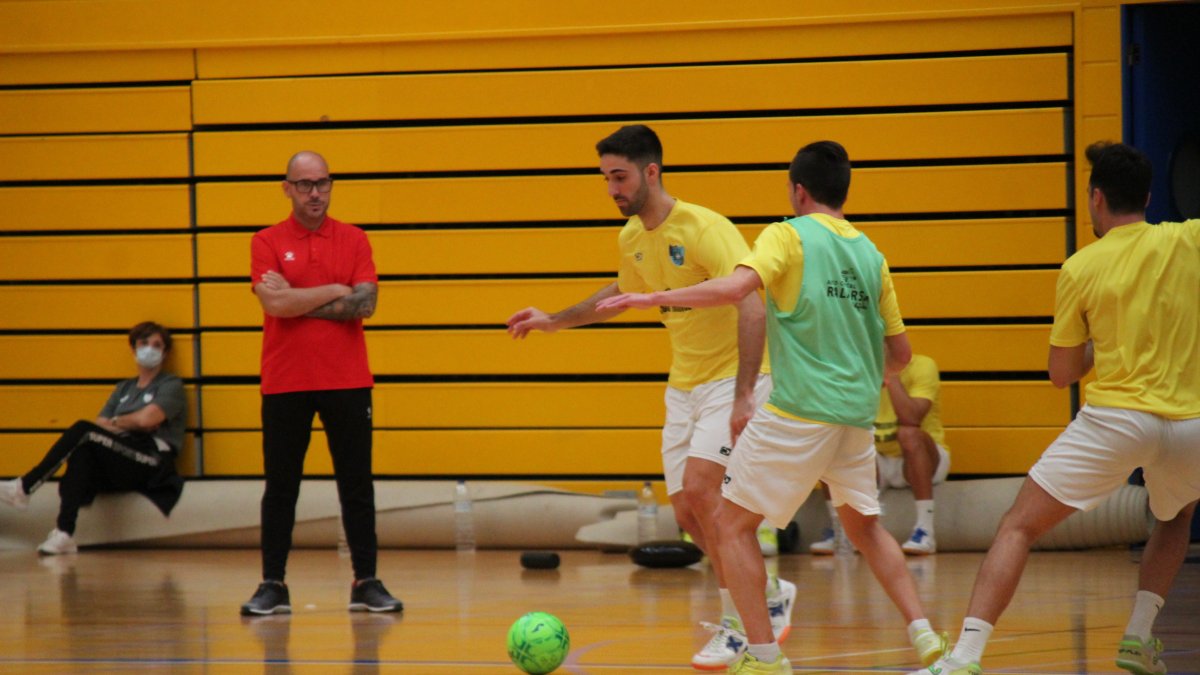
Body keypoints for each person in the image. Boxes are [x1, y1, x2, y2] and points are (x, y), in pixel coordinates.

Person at [598, 140, 946, 674]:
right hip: (854, 415)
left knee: (731, 526)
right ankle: (925, 640)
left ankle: (764, 657)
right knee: (866, 530)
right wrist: (854, 376)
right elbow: (898, 355)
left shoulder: (786, 234)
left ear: (798, 190)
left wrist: (650, 299)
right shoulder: (870, 254)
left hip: (800, 410)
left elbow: (738, 288)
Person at [505, 124, 795, 670]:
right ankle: (769, 596)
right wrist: (554, 321)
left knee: (709, 497)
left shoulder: (706, 227)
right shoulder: (632, 236)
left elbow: (752, 307)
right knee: (687, 510)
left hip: (730, 381)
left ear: (651, 172)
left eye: (620, 177)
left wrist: (742, 398)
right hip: (682, 387)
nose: (612, 189)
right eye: (606, 179)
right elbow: (617, 293)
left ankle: (739, 626)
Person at [914, 142, 1200, 675]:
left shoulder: (1080, 266)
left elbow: (1061, 372)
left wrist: (1104, 341)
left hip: (1117, 420)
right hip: (1191, 427)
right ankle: (1138, 638)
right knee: (1176, 516)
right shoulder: (1190, 239)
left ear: (1096, 198)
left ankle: (966, 656)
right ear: (1149, 196)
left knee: (1018, 527)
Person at [240, 151, 402, 616]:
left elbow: (365, 304)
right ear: (287, 188)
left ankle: (366, 582)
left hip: (348, 380)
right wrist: (335, 290)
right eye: (305, 184)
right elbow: (273, 306)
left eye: (323, 183)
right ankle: (272, 584)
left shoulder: (353, 239)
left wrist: (293, 297)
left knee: (356, 484)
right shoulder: (266, 241)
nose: (316, 193)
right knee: (281, 486)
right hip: (285, 381)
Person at [0, 322, 186, 555]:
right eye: (144, 343)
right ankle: (64, 533)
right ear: (134, 349)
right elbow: (101, 425)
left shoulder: (170, 385)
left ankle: (24, 487)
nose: (150, 349)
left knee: (82, 430)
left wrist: (119, 421)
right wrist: (132, 421)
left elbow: (147, 420)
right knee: (82, 451)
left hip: (152, 460)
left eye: (157, 345)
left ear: (165, 352)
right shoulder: (124, 388)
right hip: (122, 455)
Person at [811, 353, 950, 555]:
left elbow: (911, 418)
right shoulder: (856, 368)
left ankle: (925, 531)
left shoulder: (921, 366)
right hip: (877, 458)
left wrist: (890, 372)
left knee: (908, 433)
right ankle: (840, 531)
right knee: (831, 441)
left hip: (924, 458)